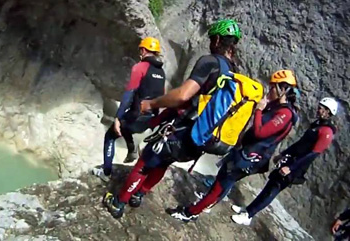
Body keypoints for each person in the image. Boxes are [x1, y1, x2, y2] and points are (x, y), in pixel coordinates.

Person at [103, 18, 243, 218]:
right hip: (202, 138)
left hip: (184, 130)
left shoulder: (210, 62)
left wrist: (151, 104)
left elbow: (183, 95)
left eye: (213, 38)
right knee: (163, 162)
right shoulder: (234, 73)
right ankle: (139, 194)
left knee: (146, 162)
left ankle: (120, 202)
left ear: (218, 39)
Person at [167, 69, 299, 222]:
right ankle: (203, 206)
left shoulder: (285, 114)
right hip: (247, 153)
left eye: (273, 87)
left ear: (283, 89)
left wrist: (259, 111)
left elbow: (260, 133)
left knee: (220, 185)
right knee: (222, 182)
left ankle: (190, 213)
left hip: (250, 156)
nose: (269, 91)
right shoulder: (279, 109)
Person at [231, 97, 339, 226]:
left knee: (273, 190)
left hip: (295, 167)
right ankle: (248, 210)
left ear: (328, 112)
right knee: (270, 185)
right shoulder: (317, 125)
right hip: (291, 160)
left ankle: (248, 215)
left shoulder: (326, 132)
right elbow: (300, 144)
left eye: (322, 108)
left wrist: (291, 168)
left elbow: (312, 154)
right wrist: (284, 154)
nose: (319, 109)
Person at [92, 37, 166, 182]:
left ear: (143, 50)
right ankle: (132, 149)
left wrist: (117, 118)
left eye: (140, 50)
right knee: (127, 124)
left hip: (137, 115)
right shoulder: (161, 72)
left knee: (110, 136)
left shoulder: (140, 67)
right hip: (150, 118)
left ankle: (106, 173)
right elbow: (161, 96)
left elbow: (129, 94)